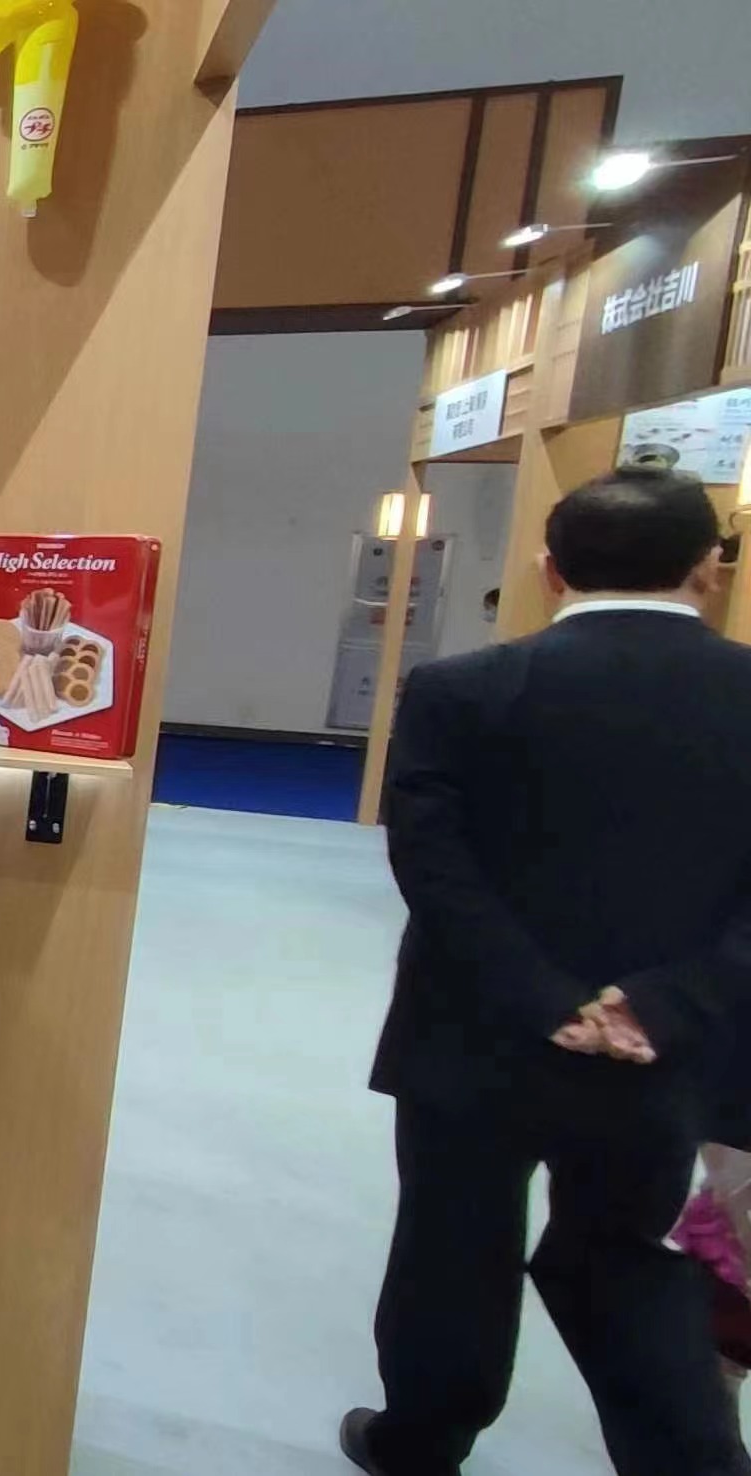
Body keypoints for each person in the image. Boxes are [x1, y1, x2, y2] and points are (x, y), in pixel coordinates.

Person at [344, 465, 751, 1476]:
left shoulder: (460, 689)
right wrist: (657, 1005)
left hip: (476, 1030)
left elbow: (431, 865)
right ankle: (694, 1462)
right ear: (709, 567)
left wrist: (548, 1000)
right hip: (664, 1047)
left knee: (451, 1241)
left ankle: (420, 1443)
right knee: (623, 1257)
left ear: (548, 568)